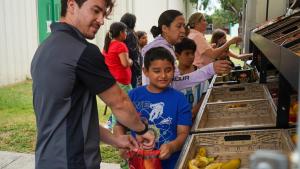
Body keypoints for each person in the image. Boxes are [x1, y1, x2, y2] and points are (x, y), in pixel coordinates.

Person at [30, 0, 154, 169]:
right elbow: (120, 103)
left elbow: (72, 119)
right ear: (72, 5)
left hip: (45, 160)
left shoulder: (44, 48)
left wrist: (115, 139)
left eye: (103, 14)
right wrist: (142, 130)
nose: (101, 20)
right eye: (96, 11)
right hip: (74, 162)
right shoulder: (82, 51)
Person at [114, 47, 192, 169]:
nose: (163, 75)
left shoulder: (180, 99)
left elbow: (183, 133)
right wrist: (121, 145)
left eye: (168, 70)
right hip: (138, 162)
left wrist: (172, 147)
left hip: (171, 164)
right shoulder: (133, 95)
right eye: (157, 71)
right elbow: (119, 125)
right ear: (145, 71)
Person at [142, 9, 232, 90]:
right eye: (178, 26)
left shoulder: (163, 46)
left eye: (183, 26)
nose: (183, 30)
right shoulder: (161, 49)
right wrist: (210, 69)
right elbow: (175, 83)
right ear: (165, 28)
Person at [103, 22, 133, 129]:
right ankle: (120, 128)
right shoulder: (120, 45)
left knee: (118, 105)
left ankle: (115, 126)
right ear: (121, 32)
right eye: (125, 32)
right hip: (123, 81)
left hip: (114, 80)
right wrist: (131, 61)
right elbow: (125, 63)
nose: (126, 34)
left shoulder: (107, 45)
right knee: (127, 105)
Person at [174, 38, 203, 120]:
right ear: (177, 55)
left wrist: (196, 109)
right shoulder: (172, 75)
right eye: (187, 54)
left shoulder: (200, 73)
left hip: (197, 116)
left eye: (192, 53)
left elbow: (205, 94)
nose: (191, 57)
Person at [120, 13, 142, 88]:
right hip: (131, 67)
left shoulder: (120, 33)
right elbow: (134, 54)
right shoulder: (131, 34)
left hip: (122, 67)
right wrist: (138, 69)